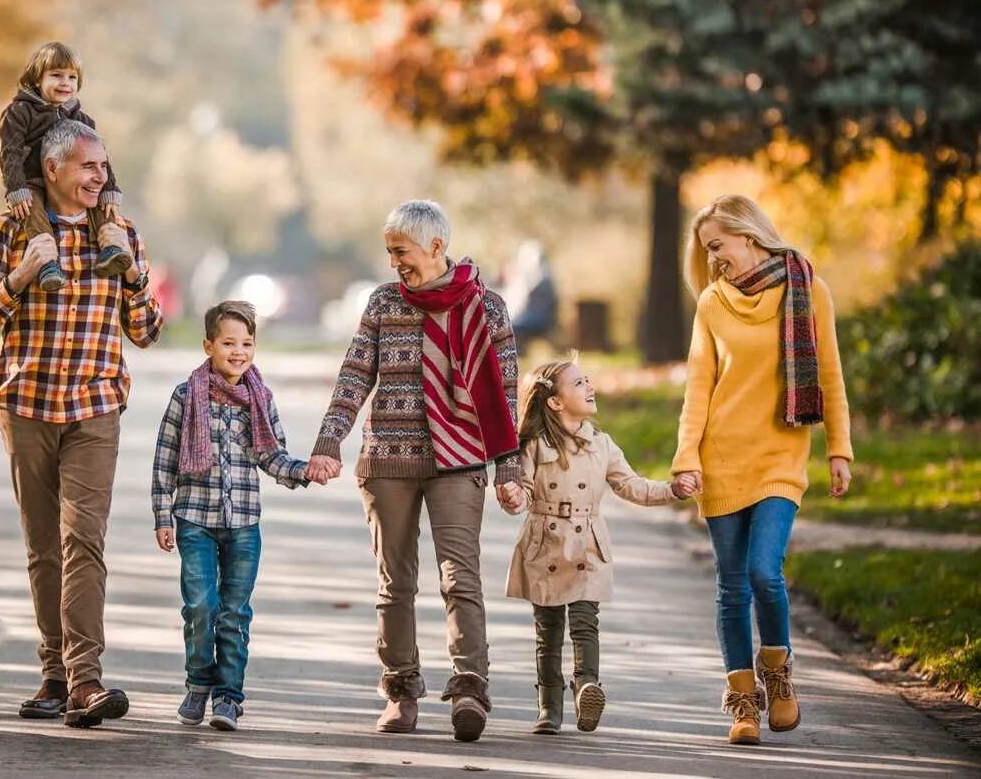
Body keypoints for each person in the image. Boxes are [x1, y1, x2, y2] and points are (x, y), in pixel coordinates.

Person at [0, 119, 162, 728]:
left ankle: (85, 682)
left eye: (104, 166)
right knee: (44, 545)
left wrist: (130, 273)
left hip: (95, 406)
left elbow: (148, 332)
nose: (102, 177)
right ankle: (54, 674)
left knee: (84, 541)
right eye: (89, 167)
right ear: (53, 171)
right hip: (26, 404)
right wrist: (20, 276)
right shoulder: (12, 228)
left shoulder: (119, 233)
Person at [313, 199, 521, 742]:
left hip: (462, 459)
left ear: (435, 246)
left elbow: (506, 394)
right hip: (389, 460)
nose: (393, 263)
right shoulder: (383, 303)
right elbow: (355, 374)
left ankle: (471, 687)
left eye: (400, 251)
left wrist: (509, 470)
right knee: (395, 583)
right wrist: (329, 441)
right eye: (388, 252)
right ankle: (401, 689)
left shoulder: (488, 307)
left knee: (461, 577)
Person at [670, 194, 853, 746]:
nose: (713, 258)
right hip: (721, 458)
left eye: (718, 246)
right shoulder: (712, 303)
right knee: (730, 588)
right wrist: (685, 458)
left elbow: (830, 375)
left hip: (780, 456)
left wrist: (838, 449)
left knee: (762, 573)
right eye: (706, 250)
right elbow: (699, 387)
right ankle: (744, 702)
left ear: (749, 236)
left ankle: (778, 672)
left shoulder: (808, 290)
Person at [151, 301, 329, 733]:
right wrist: (162, 514)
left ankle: (228, 698)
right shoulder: (185, 395)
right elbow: (165, 460)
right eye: (228, 342)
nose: (238, 351)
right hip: (194, 518)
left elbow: (271, 455)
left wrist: (303, 470)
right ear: (208, 345)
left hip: (244, 524)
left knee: (234, 613)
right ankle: (198, 684)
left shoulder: (259, 399)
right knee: (200, 606)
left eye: (247, 343)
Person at [500, 356, 690, 735]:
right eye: (579, 383)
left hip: (587, 543)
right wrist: (513, 496)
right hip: (546, 542)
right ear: (555, 401)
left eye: (588, 380)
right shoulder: (535, 446)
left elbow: (631, 485)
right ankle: (548, 708)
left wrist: (671, 490)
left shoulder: (602, 445)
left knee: (586, 623)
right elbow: (521, 486)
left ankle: (587, 686)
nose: (590, 387)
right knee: (548, 629)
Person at [0, 41, 131, 293]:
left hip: (72, 186)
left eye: (72, 77)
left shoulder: (81, 118)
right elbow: (9, 152)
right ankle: (48, 264)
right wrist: (17, 188)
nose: (65, 83)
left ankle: (111, 248)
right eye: (56, 76)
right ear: (37, 78)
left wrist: (110, 188)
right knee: (31, 212)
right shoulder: (20, 112)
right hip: (32, 182)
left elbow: (100, 157)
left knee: (102, 202)